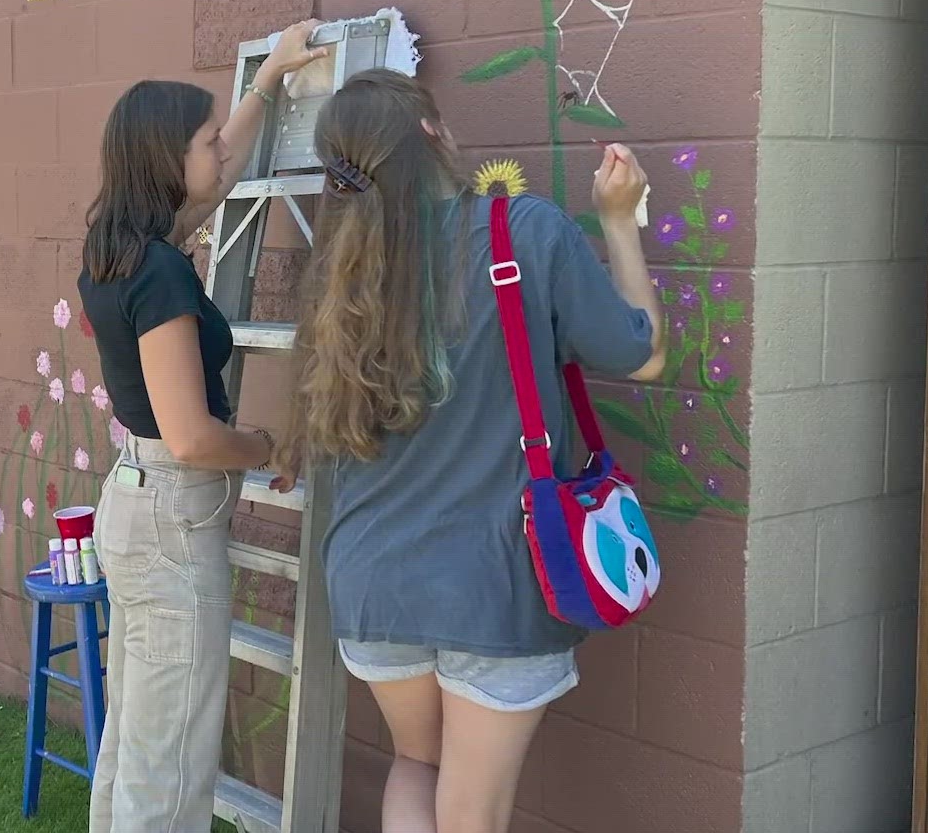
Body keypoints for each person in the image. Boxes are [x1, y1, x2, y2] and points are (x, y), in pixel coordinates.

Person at [275, 70, 665, 833]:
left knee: (417, 765)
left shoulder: (341, 275)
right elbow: (640, 354)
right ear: (428, 133)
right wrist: (619, 220)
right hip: (495, 582)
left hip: (370, 582)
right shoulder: (525, 231)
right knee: (472, 813)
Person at [76, 19, 326, 833]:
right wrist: (266, 447)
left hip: (136, 501)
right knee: (172, 761)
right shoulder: (160, 273)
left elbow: (214, 185)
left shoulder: (118, 250)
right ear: (165, 159)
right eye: (208, 141)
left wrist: (269, 80)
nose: (222, 152)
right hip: (174, 512)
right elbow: (192, 436)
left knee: (136, 740)